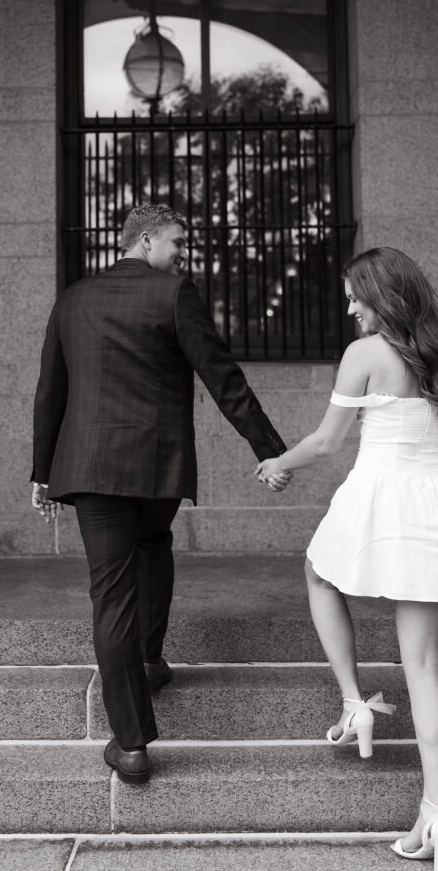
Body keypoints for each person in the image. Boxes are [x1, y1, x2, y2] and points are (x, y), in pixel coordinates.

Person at [31, 203, 287, 785]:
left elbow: (50, 391)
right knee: (154, 542)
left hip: (89, 468)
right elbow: (225, 380)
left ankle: (130, 745)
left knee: (111, 591)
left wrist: (42, 470)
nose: (182, 253)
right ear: (145, 240)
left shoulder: (71, 299)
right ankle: (148, 659)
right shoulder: (174, 294)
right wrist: (266, 448)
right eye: (176, 243)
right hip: (156, 464)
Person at [256, 247, 438, 871]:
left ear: (385, 295)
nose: (350, 305)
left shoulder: (364, 354)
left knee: (317, 572)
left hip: (375, 493)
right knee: (424, 664)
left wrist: (278, 463)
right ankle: (436, 811)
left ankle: (355, 702)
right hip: (434, 498)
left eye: (356, 294)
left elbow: (329, 441)